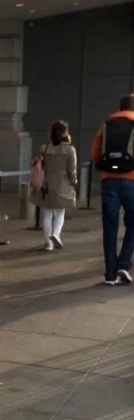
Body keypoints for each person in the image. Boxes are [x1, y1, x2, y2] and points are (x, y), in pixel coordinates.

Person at [91, 93, 134, 285]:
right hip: (132, 181)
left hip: (108, 180)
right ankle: (124, 264)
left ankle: (110, 274)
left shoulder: (106, 125)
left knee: (110, 227)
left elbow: (94, 154)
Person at [30, 120, 78, 252]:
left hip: (46, 185)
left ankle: (48, 243)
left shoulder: (44, 148)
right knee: (60, 213)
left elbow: (39, 166)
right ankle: (56, 234)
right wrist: (74, 181)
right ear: (65, 133)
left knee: (46, 214)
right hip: (63, 184)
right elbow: (72, 170)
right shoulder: (70, 149)